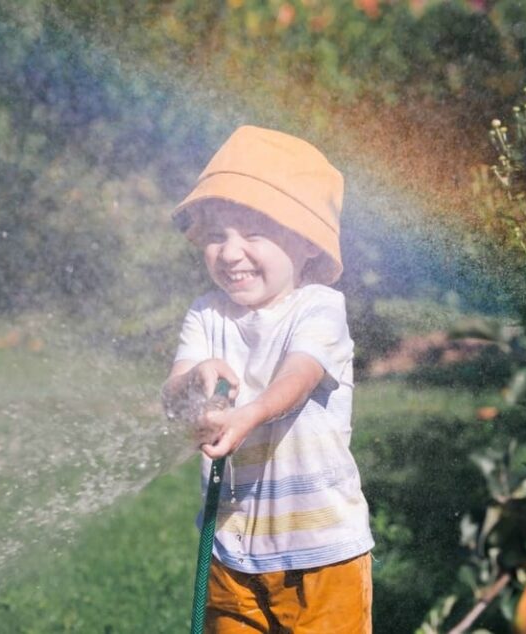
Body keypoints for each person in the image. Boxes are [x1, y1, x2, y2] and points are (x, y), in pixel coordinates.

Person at [161, 126, 374, 633]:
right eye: (217, 235)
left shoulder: (320, 307)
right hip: (230, 554)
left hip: (322, 556)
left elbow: (298, 376)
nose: (230, 252)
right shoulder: (205, 315)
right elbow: (172, 394)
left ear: (305, 244)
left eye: (253, 232)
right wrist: (194, 382)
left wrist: (249, 414)